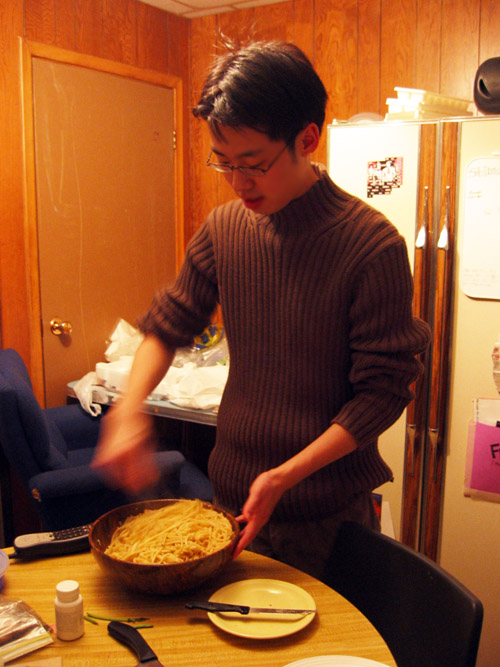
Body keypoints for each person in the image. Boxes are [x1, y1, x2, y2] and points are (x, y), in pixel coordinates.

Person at [92, 40, 430, 579]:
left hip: (325, 516)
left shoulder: (372, 246)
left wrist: (284, 476)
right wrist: (129, 409)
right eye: (223, 163)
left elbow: (382, 394)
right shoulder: (224, 229)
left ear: (307, 139)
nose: (238, 182)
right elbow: (168, 324)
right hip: (232, 502)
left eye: (253, 164)